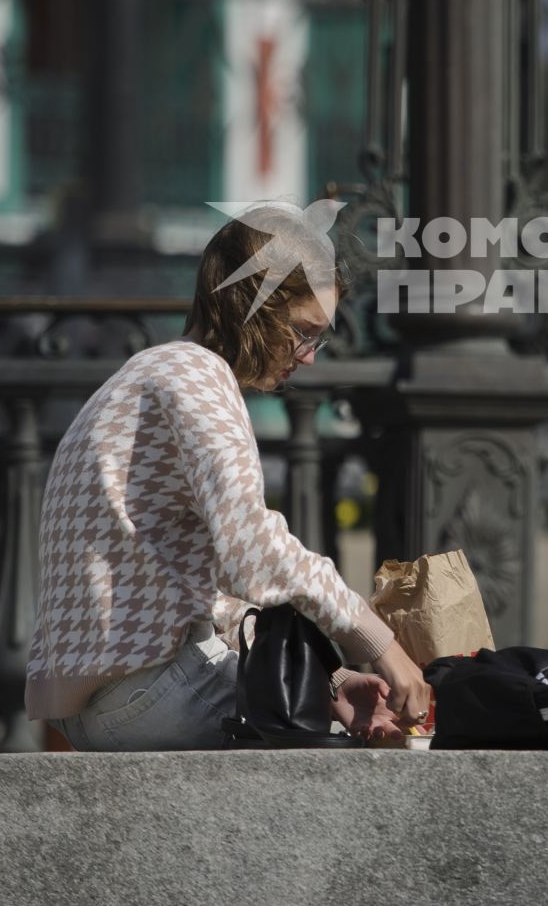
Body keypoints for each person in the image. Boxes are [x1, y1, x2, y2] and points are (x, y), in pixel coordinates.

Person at [27, 209, 431, 750]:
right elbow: (252, 547)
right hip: (153, 688)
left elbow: (205, 583)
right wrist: (377, 642)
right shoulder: (197, 375)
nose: (308, 357)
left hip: (104, 697)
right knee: (373, 775)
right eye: (302, 332)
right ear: (248, 305)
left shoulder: (150, 375)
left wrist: (329, 683)